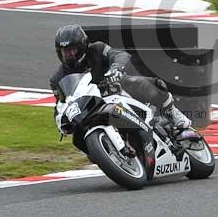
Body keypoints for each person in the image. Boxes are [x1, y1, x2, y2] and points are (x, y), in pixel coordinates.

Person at [49, 24, 197, 140]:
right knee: (80, 135)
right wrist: (60, 120)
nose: (68, 54)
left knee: (151, 85)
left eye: (72, 49)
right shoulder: (57, 78)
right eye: (64, 51)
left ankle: (177, 119)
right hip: (91, 107)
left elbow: (119, 55)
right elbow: (60, 104)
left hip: (114, 89)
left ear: (82, 46)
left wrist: (115, 69)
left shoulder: (97, 49)